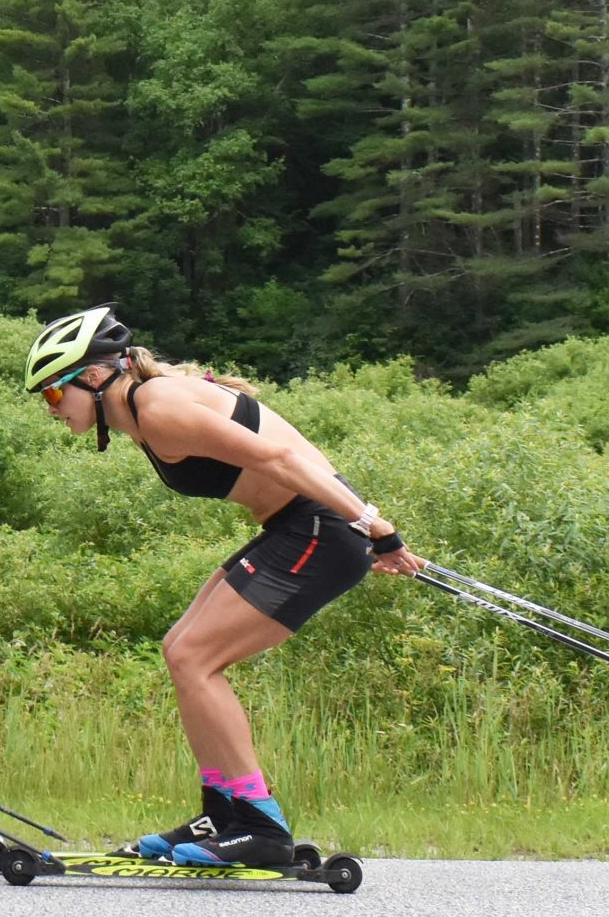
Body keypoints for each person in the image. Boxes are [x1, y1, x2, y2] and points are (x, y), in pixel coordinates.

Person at [24, 306, 425, 870]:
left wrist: (375, 527)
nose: (52, 411)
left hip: (321, 530)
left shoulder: (158, 408)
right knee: (179, 650)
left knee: (194, 656)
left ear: (90, 377)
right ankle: (224, 811)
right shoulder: (143, 409)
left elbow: (283, 458)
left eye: (51, 395)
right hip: (296, 529)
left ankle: (260, 825)